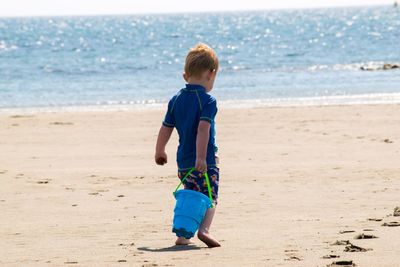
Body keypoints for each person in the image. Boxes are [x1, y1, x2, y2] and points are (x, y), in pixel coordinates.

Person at [154, 43, 221, 248]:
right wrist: (201, 158)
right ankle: (204, 229)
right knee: (209, 196)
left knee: (190, 195)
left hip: (183, 161)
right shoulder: (208, 101)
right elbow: (203, 129)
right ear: (211, 74)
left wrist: (160, 150)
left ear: (185, 76)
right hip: (204, 160)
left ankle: (183, 235)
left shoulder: (175, 100)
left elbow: (166, 127)